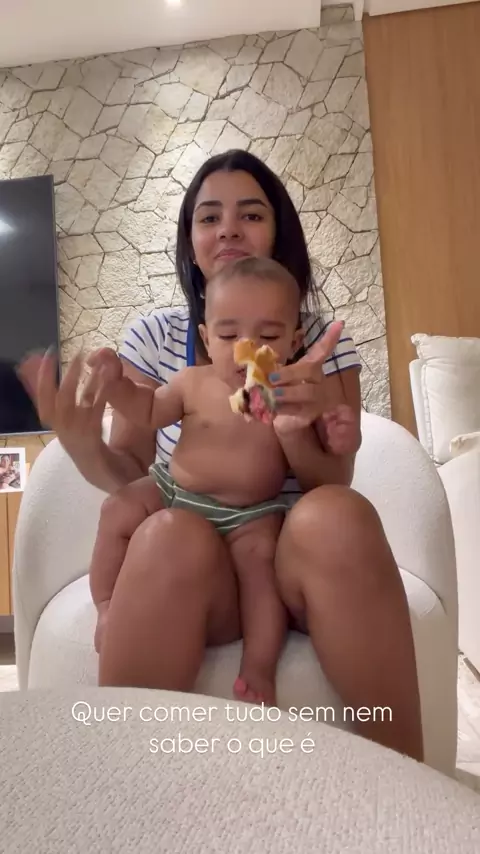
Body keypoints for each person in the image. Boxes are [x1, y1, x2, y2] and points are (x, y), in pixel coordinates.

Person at [32, 149, 423, 762]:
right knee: (166, 534)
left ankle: (407, 779)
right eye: (210, 217)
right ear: (191, 243)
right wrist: (84, 441)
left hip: (283, 547)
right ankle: (122, 783)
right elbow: (134, 455)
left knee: (336, 516)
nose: (230, 230)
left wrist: (299, 427)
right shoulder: (161, 342)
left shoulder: (316, 343)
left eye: (251, 215)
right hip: (189, 557)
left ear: (278, 234)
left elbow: (332, 479)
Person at [87, 257, 351, 705]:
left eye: (269, 336)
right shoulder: (191, 382)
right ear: (207, 338)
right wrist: (116, 388)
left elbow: (325, 455)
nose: (247, 348)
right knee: (117, 509)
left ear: (294, 341)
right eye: (229, 336)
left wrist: (337, 430)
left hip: (251, 515)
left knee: (261, 579)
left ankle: (259, 668)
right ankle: (109, 606)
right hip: (175, 492)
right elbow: (148, 411)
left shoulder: (289, 395)